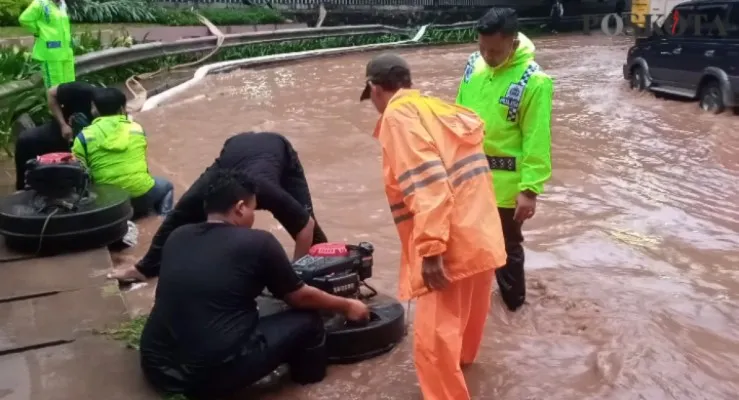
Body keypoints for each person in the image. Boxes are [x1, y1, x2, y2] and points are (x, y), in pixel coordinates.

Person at [139, 170, 370, 399]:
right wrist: (348, 305)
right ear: (240, 208)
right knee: (308, 322)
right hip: (205, 378)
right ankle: (308, 384)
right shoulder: (259, 242)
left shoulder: (178, 236)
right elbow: (299, 297)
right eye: (253, 208)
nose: (253, 216)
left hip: (157, 366)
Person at [360, 53, 508, 400]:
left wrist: (430, 250)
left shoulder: (398, 117)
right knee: (466, 326)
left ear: (375, 88)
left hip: (450, 244)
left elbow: (429, 185)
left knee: (432, 345)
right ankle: (466, 376)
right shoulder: (437, 109)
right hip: (480, 236)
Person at [108, 131, 327, 282]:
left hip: (279, 150)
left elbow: (305, 227)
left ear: (243, 208)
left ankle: (330, 267)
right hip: (233, 151)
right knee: (181, 214)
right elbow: (175, 221)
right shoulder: (206, 188)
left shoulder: (267, 191)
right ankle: (145, 270)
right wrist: (143, 268)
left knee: (306, 220)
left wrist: (295, 278)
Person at [456, 8, 553, 312]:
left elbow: (537, 139)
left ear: (512, 42)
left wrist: (530, 190)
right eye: (481, 47)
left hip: (507, 186)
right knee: (469, 242)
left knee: (507, 249)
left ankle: (514, 307)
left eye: (494, 50)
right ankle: (478, 305)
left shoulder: (534, 81)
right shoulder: (474, 66)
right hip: (470, 176)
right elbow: (458, 115)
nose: (486, 55)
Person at [71, 87, 174, 218]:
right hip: (141, 198)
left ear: (94, 109)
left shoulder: (83, 137)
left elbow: (81, 174)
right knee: (167, 186)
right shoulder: (137, 129)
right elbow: (141, 161)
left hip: (109, 205)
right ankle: (165, 218)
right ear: (122, 108)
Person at [14, 81, 96, 191]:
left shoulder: (111, 114)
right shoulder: (80, 90)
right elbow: (51, 92)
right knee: (27, 140)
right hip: (63, 128)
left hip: (87, 139)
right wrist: (63, 125)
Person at [18, 0, 75, 88]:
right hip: (50, 53)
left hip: (66, 53)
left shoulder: (62, 4)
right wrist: (38, 31)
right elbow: (24, 19)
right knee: (54, 87)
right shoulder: (40, 3)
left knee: (70, 86)